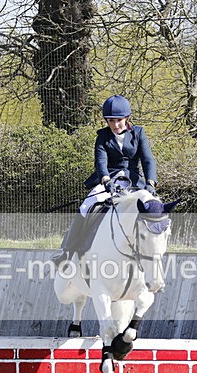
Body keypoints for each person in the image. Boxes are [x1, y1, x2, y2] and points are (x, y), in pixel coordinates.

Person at [52, 95, 158, 265]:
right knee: (86, 207)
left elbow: (148, 160)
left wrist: (151, 182)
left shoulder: (139, 133)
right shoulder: (102, 136)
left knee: (154, 207)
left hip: (133, 182)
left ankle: (154, 251)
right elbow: (100, 161)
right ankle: (66, 251)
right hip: (109, 181)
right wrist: (106, 180)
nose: (115, 125)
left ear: (127, 118)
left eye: (119, 120)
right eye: (110, 121)